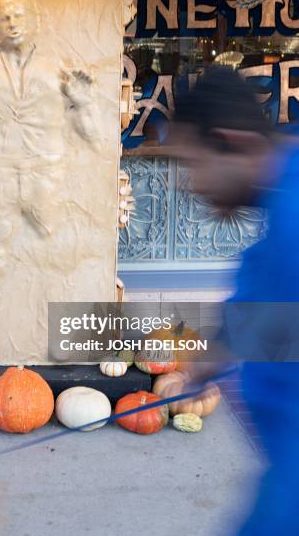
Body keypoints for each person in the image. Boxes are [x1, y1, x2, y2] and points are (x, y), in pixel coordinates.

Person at [173, 67, 299, 535]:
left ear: (234, 142)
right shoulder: (281, 197)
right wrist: (223, 345)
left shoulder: (292, 223)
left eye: (193, 162)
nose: (191, 183)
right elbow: (266, 295)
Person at [0, 0, 101, 278]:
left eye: (18, 15)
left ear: (35, 18)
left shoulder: (59, 67)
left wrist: (84, 103)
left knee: (56, 252)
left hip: (46, 176)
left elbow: (93, 137)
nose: (12, 23)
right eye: (5, 17)